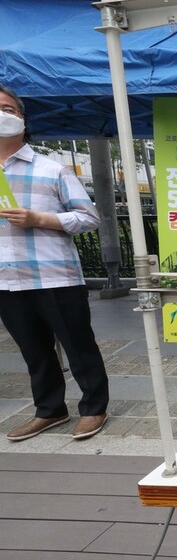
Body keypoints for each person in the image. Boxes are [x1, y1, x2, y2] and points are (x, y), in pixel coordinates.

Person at [0, 84, 109, 441]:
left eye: (8, 109)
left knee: (79, 345)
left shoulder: (51, 169)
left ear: (22, 119)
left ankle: (94, 408)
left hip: (54, 275)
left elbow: (89, 217)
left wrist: (41, 219)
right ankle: (50, 410)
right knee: (33, 351)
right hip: (7, 280)